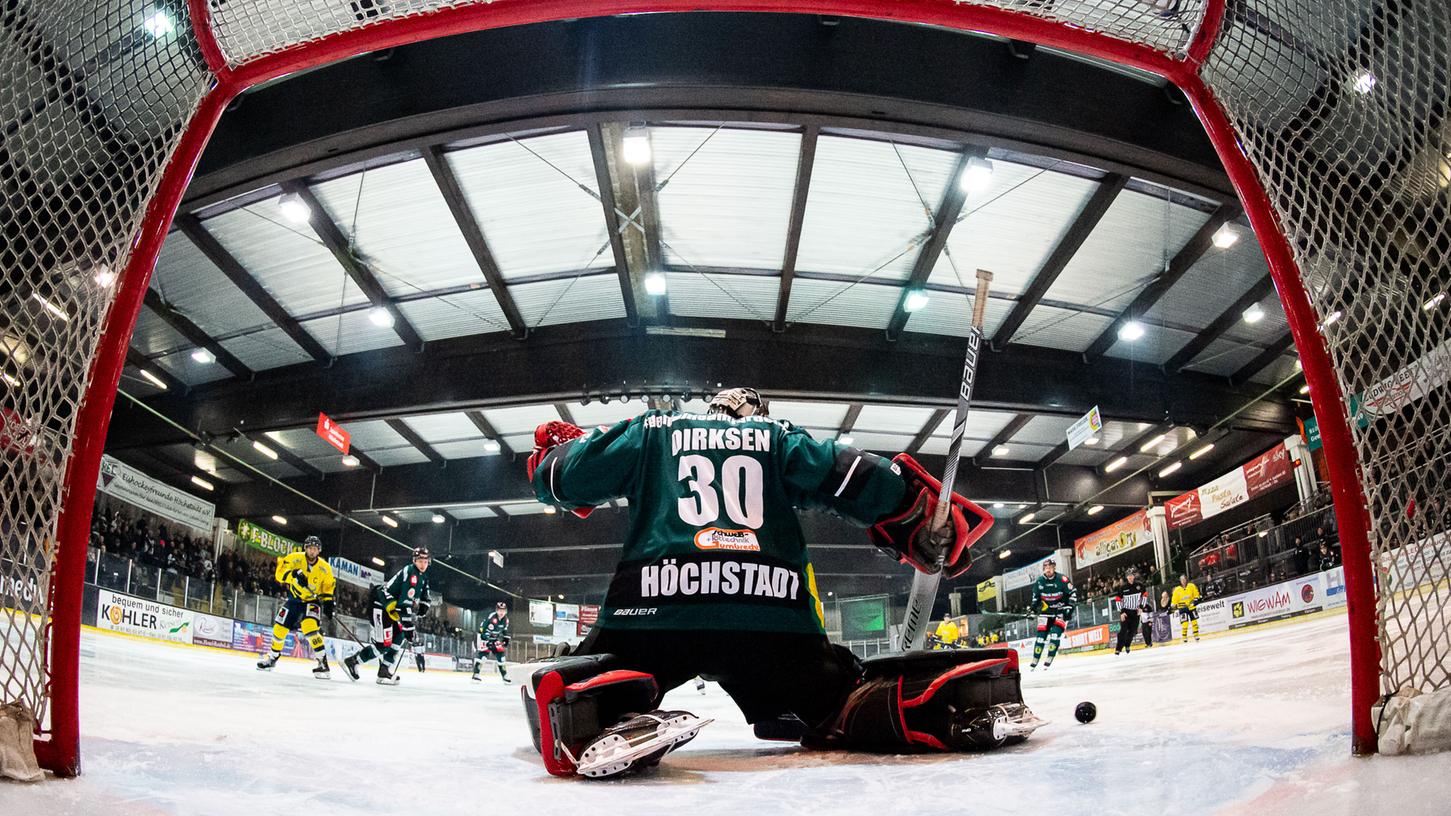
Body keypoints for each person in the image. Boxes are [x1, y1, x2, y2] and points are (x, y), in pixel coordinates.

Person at [518, 387, 1041, 778]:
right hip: (768, 618)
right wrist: (919, 515)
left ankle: (588, 706)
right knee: (838, 698)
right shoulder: (776, 439)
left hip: (653, 612)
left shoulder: (650, 432)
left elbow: (566, 478)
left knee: (602, 669)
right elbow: (854, 475)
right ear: (755, 414)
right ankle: (938, 699)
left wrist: (555, 457)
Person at [342, 547, 432, 686]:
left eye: (425, 561)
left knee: (399, 635)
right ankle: (352, 661)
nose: (423, 564)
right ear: (414, 561)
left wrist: (425, 603)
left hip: (391, 609)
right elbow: (404, 604)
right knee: (383, 646)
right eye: (420, 561)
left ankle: (384, 670)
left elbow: (424, 590)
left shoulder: (421, 576)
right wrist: (408, 625)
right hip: (381, 606)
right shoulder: (411, 574)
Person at [256, 536, 335, 678]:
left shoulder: (325, 568)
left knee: (311, 629)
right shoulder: (294, 558)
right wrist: (293, 575)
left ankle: (323, 663)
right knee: (279, 629)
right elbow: (279, 574)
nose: (312, 551)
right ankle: (273, 658)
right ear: (306, 548)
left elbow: (328, 587)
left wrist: (329, 602)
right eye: (310, 548)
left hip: (312, 602)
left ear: (319, 551)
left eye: (315, 549)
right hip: (294, 600)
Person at [1027, 558, 1076, 670]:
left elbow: (1073, 593)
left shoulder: (1062, 579)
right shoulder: (1039, 582)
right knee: (1040, 638)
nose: (1048, 570)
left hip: (1060, 612)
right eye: (1046, 568)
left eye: (1050, 567)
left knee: (1054, 635)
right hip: (1046, 613)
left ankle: (1050, 657)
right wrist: (1032, 610)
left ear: (1054, 568)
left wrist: (1069, 607)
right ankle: (1035, 659)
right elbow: (1035, 599)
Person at [472, 601, 512, 683]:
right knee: (483, 656)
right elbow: (481, 629)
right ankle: (475, 675)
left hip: (494, 638)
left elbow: (504, 630)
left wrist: (506, 638)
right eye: (500, 610)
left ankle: (505, 676)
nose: (502, 612)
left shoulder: (506, 620)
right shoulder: (491, 617)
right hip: (483, 637)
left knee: (501, 656)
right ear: (496, 610)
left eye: (503, 610)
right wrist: (485, 640)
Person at [1113, 568, 1150, 655]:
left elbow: (1144, 595)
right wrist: (1121, 612)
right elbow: (1118, 599)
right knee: (1123, 630)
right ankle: (1118, 649)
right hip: (1126, 612)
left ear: (1134, 576)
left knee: (1133, 631)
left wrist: (1141, 607)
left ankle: (1127, 644)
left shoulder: (1140, 586)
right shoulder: (1123, 588)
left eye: (1131, 575)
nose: (1130, 577)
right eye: (1128, 576)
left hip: (1135, 612)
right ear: (1126, 577)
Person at [1171, 574, 1201, 643]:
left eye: (1184, 579)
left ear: (1186, 580)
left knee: (1194, 622)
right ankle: (1184, 637)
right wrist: (1173, 604)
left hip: (1191, 606)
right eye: (1182, 580)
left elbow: (1196, 594)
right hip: (1182, 608)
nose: (1183, 581)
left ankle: (1196, 635)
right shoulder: (1177, 589)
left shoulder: (1191, 586)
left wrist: (1196, 599)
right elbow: (1174, 600)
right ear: (1180, 581)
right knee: (1185, 623)